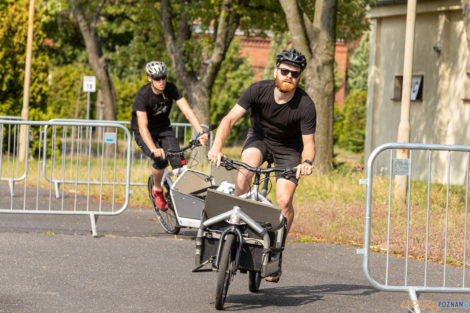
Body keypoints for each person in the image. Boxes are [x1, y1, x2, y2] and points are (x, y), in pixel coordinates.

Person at [208, 48, 316, 234]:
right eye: (284, 71)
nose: (289, 76)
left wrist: (306, 162)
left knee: (283, 201)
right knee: (245, 174)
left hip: (288, 149)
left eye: (295, 73)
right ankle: (236, 229)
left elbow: (309, 144)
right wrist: (216, 147)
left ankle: (279, 244)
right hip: (259, 139)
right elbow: (229, 119)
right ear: (276, 72)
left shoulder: (306, 105)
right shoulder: (257, 90)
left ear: (299, 77)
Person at [131, 61, 208, 211]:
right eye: (157, 78)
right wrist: (154, 148)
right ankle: (157, 189)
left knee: (179, 163)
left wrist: (201, 132)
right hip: (144, 132)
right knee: (160, 160)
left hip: (164, 129)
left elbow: (187, 111)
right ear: (150, 78)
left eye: (163, 77)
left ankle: (179, 196)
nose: (161, 81)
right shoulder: (143, 95)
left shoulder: (171, 89)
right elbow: (143, 127)